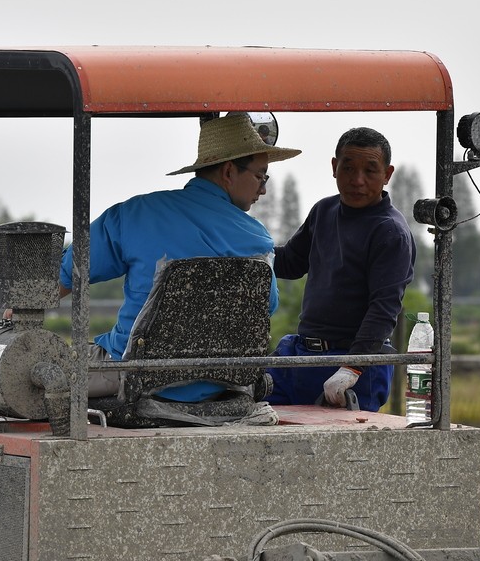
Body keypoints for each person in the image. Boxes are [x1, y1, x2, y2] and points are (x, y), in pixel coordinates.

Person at [58, 114, 301, 402]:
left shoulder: (137, 214)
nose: (263, 188)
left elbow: (65, 274)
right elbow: (264, 309)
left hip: (130, 372)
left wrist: (18, 314)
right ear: (228, 172)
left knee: (36, 369)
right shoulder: (257, 239)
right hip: (219, 383)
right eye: (261, 176)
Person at [266, 126, 416, 412]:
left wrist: (352, 368)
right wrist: (247, 253)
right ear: (335, 167)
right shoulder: (324, 211)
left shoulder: (390, 232)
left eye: (370, 170)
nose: (357, 180)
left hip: (352, 362)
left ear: (387, 174)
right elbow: (289, 262)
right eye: (348, 168)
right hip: (302, 353)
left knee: (337, 452)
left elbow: (384, 308)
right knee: (254, 418)